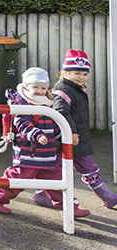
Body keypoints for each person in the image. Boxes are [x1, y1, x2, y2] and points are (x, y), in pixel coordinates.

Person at [0, 67, 90, 217]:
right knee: (17, 180)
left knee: (58, 182)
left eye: (43, 88)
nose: (40, 91)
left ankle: (68, 207)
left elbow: (54, 124)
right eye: (36, 87)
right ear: (27, 87)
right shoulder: (24, 104)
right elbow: (22, 124)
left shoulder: (47, 104)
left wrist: (66, 134)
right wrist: (36, 134)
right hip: (29, 154)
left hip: (47, 155)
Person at [33, 50, 117, 210]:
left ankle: (42, 194)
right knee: (62, 171)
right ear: (65, 72)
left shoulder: (77, 89)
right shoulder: (63, 91)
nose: (81, 77)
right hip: (66, 139)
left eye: (84, 74)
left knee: (66, 170)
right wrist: (71, 132)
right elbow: (61, 112)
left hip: (77, 140)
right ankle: (107, 197)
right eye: (76, 73)